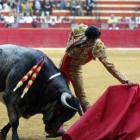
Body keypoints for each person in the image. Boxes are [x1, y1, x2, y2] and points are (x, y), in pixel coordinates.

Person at [46, 24, 133, 137]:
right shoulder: (80, 30)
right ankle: (58, 128)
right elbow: (73, 31)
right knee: (59, 96)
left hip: (74, 70)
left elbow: (110, 66)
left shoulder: (97, 47)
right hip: (63, 66)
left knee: (82, 98)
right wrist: (68, 44)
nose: (90, 43)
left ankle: (93, 127)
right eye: (88, 39)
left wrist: (124, 79)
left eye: (92, 41)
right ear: (85, 35)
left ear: (96, 39)